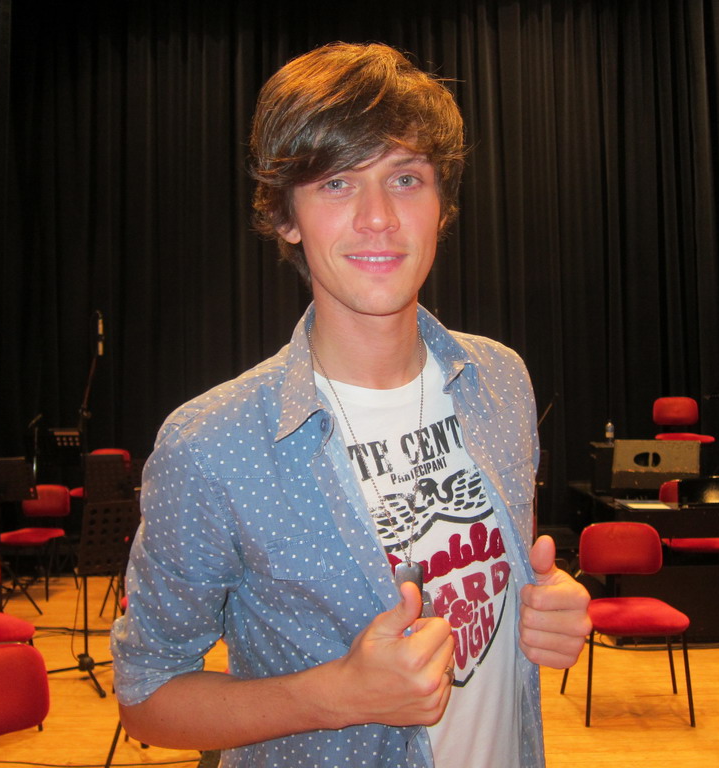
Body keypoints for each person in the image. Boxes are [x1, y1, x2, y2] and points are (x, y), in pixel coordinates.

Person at [111, 41, 591, 767]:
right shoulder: (210, 444)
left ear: (441, 206)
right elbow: (147, 697)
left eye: (406, 178)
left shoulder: (500, 380)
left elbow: (498, 590)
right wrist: (337, 695)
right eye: (337, 183)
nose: (378, 217)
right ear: (287, 217)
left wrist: (545, 607)